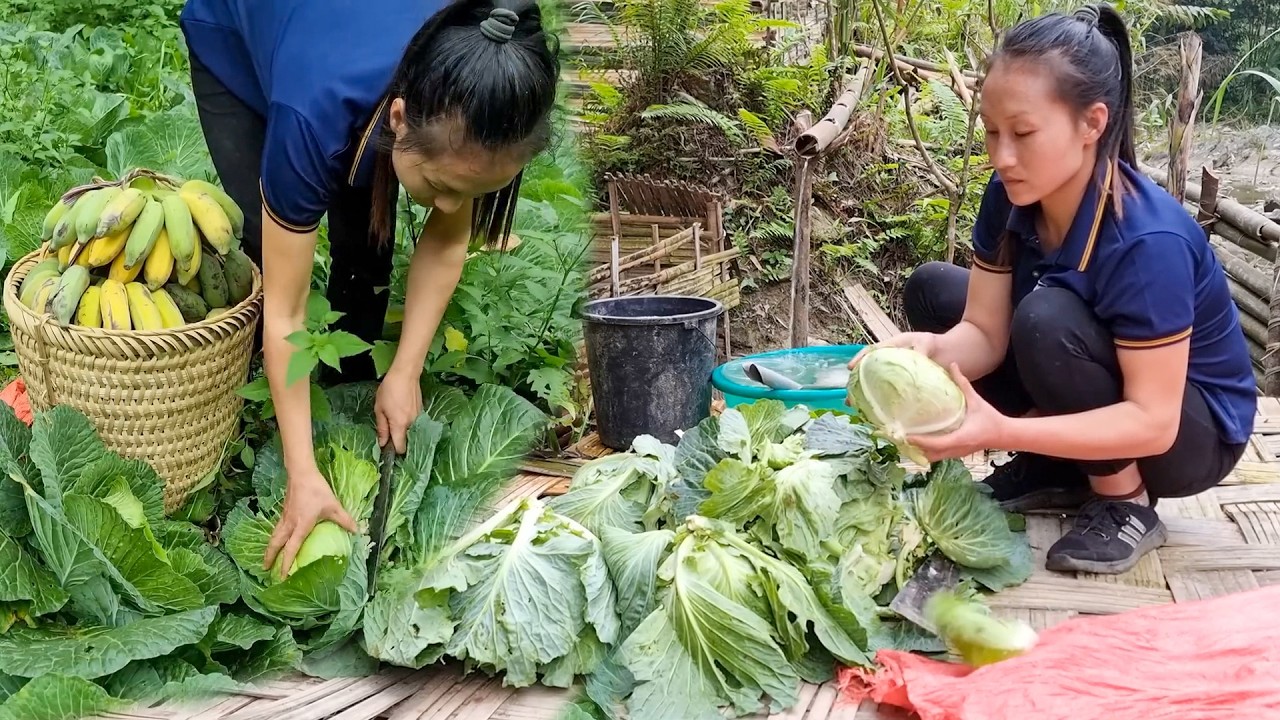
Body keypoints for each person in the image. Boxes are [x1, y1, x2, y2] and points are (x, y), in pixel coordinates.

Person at [858, 4, 1256, 575]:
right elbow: (985, 335)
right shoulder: (1010, 194)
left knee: (1047, 319)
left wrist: (1001, 431)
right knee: (935, 294)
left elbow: (1153, 420)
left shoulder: (1149, 240)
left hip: (1188, 438)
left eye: (1023, 133)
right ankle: (1058, 465)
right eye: (993, 132)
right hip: (1099, 373)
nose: (1002, 155)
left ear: (1092, 123)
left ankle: (1126, 503)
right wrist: (925, 350)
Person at [179, 0, 560, 576]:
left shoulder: (487, 86)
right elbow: (285, 314)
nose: (453, 207)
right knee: (268, 239)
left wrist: (404, 371)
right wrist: (302, 475)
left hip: (346, 55)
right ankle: (283, 426)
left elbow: (448, 238)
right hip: (238, 30)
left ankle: (352, 389)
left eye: (474, 191)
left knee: (366, 242)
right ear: (401, 117)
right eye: (440, 186)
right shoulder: (311, 115)